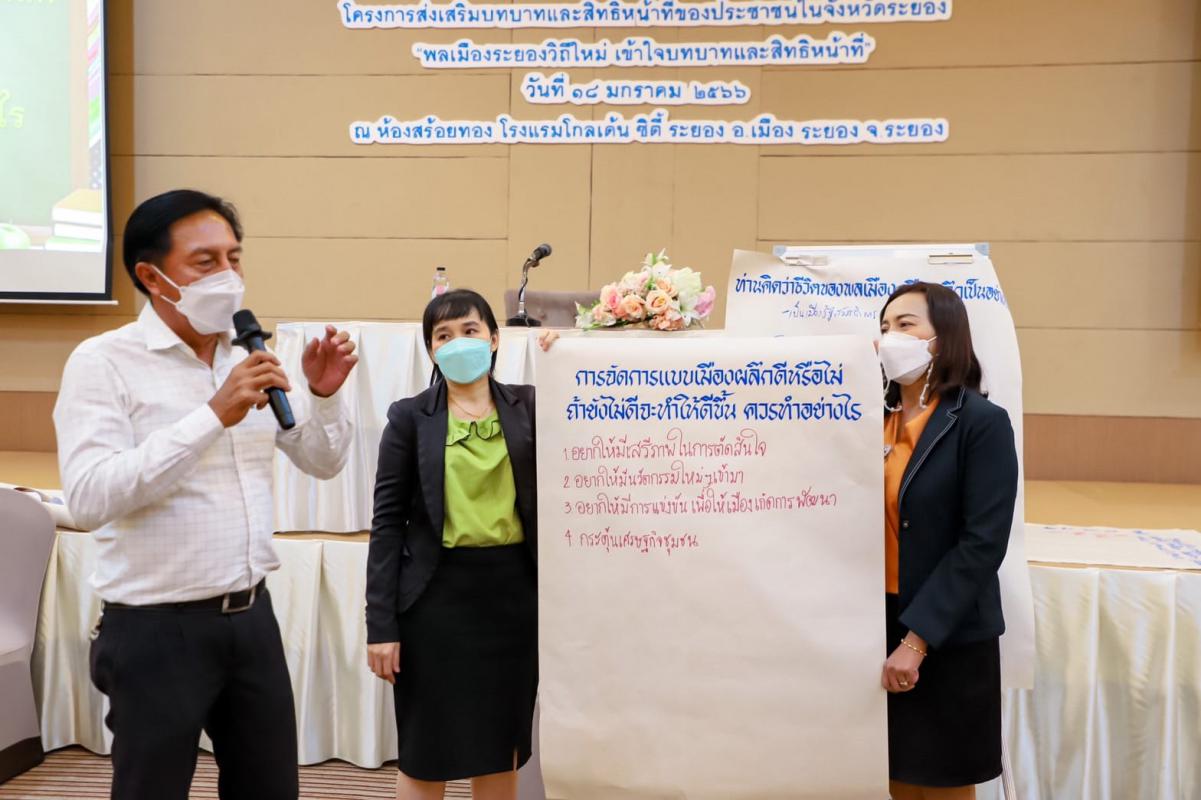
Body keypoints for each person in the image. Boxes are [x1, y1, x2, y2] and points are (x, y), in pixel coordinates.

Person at [53, 189, 358, 800]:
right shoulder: (103, 362)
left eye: (234, 258)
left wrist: (324, 397)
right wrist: (212, 415)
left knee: (270, 790)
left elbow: (322, 463)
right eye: (206, 261)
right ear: (151, 276)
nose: (228, 276)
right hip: (154, 630)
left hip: (251, 619)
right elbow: (88, 497)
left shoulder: (248, 356)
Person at [366, 289, 555, 800]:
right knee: (426, 753)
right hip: (433, 602)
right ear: (431, 350)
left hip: (513, 601)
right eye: (443, 336)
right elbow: (387, 526)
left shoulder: (532, 406)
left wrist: (567, 359)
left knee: (500, 749)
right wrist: (380, 626)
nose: (457, 343)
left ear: (493, 339)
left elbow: (588, 417)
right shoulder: (409, 418)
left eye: (470, 330)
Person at [876, 282, 1018, 800]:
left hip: (946, 632)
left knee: (940, 784)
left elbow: (982, 543)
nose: (890, 337)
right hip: (876, 621)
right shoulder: (872, 420)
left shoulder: (981, 423)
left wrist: (917, 641)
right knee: (887, 778)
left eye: (905, 324)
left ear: (944, 337)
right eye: (884, 326)